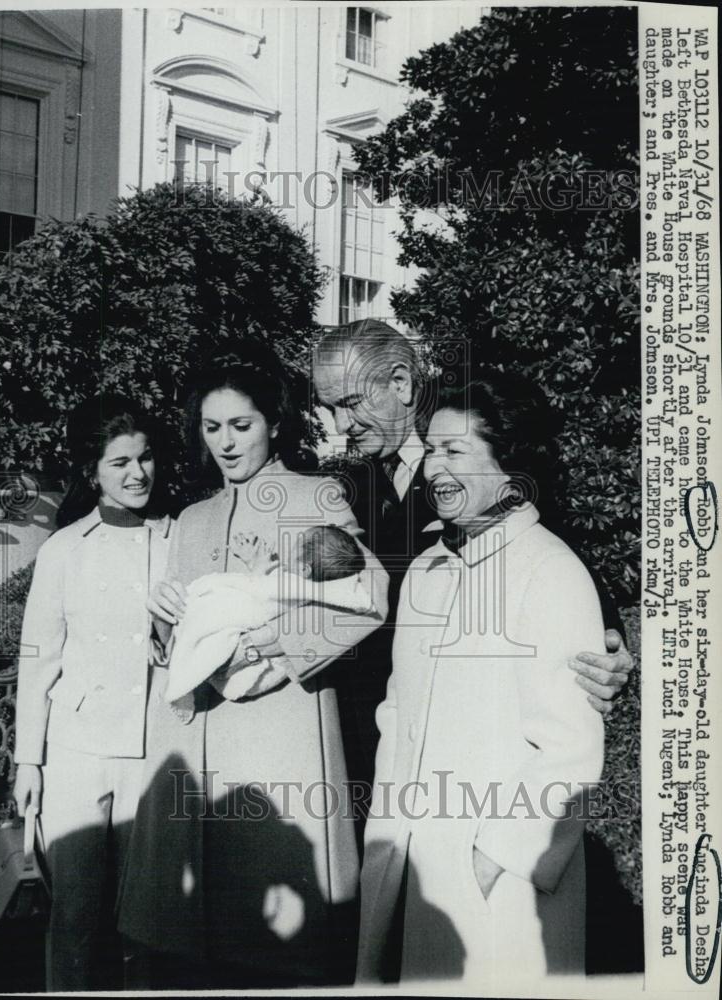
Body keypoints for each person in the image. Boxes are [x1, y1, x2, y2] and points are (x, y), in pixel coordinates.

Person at [116, 344, 389, 988]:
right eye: (213, 428)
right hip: (194, 740)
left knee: (274, 937)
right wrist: (158, 618)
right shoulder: (191, 518)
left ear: (273, 422)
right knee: (191, 938)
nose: (227, 443)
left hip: (279, 730)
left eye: (242, 426)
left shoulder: (316, 496)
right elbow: (173, 641)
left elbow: (366, 596)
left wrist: (271, 641)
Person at [312, 320, 631, 823]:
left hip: (476, 767)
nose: (338, 424)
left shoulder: (486, 457)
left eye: (350, 403)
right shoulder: (354, 487)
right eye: (329, 407)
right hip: (380, 751)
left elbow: (555, 549)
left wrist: (609, 643)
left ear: (400, 383)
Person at [357, 374, 605, 987]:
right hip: (413, 862)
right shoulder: (425, 570)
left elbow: (570, 752)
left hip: (501, 887)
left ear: (510, 467)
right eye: (430, 450)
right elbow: (397, 717)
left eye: (456, 451)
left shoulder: (550, 570)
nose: (435, 468)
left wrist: (490, 861)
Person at [11, 394, 172, 991]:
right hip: (76, 753)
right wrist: (29, 761)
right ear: (92, 471)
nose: (138, 474)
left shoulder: (175, 538)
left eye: (146, 458)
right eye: (121, 462)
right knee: (73, 913)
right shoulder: (62, 551)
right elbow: (38, 662)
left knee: (144, 922)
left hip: (153, 750)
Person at [164, 526, 374, 702]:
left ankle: (184, 673)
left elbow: (259, 591)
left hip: (277, 693)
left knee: (208, 615)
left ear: (304, 570)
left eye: (296, 547)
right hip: (237, 671)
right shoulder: (307, 586)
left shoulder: (297, 585)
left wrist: (253, 645)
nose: (289, 550)